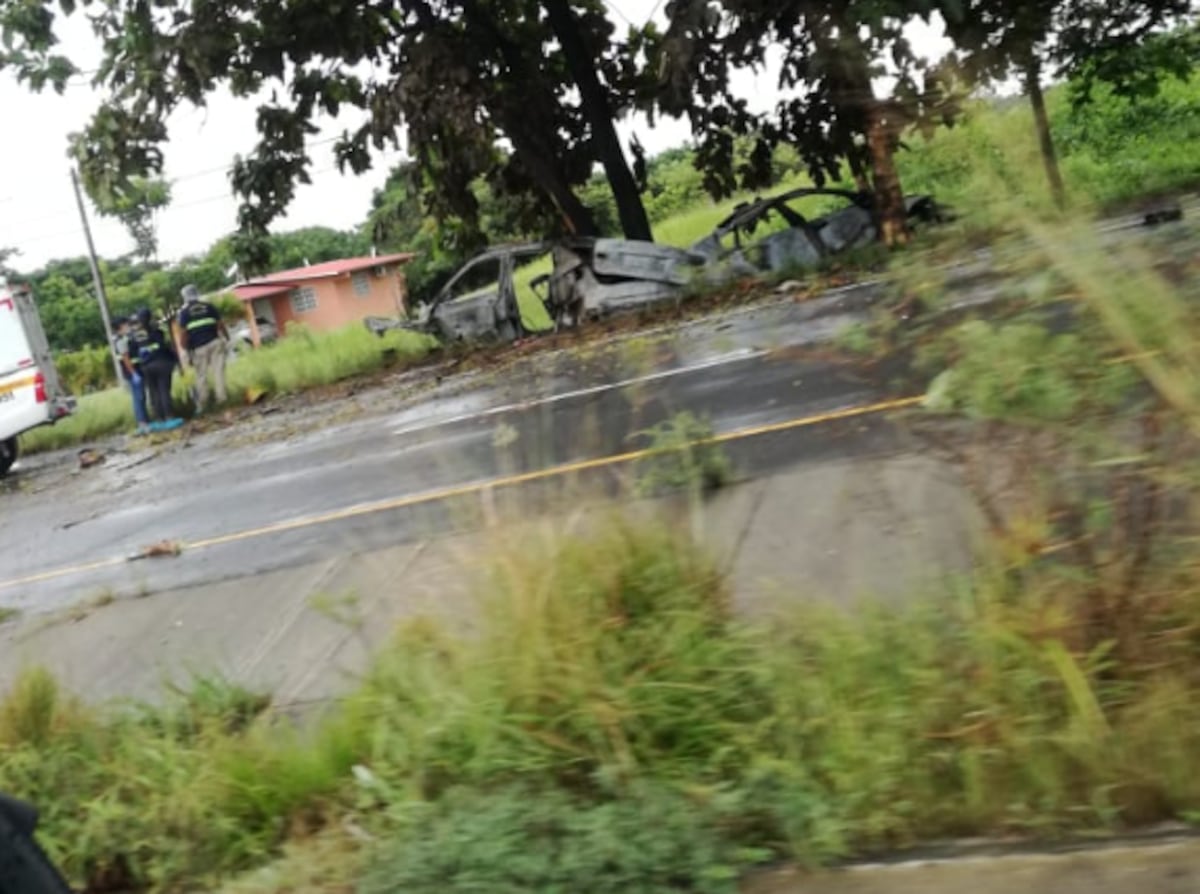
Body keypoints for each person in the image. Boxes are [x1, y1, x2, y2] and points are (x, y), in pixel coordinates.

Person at [177, 284, 228, 413]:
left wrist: (183, 347)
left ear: (185, 297)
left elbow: (183, 333)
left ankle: (204, 403)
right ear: (197, 294)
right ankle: (222, 399)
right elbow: (220, 324)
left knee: (201, 375)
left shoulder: (184, 312)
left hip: (199, 348)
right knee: (218, 372)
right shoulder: (209, 306)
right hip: (215, 342)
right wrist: (227, 337)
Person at [130, 307, 180, 426]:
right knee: (164, 390)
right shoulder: (156, 331)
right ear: (150, 317)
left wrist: (138, 369)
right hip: (161, 363)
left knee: (153, 393)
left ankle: (158, 418)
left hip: (145, 367)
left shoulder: (134, 336)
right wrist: (174, 359)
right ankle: (169, 416)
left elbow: (133, 353)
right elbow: (164, 347)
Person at [114, 315, 150, 436]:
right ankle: (142, 423)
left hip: (136, 370)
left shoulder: (127, 338)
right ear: (120, 327)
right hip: (131, 373)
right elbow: (126, 359)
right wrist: (134, 374)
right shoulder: (120, 341)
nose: (128, 326)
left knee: (142, 396)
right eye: (126, 325)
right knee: (138, 398)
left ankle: (145, 421)